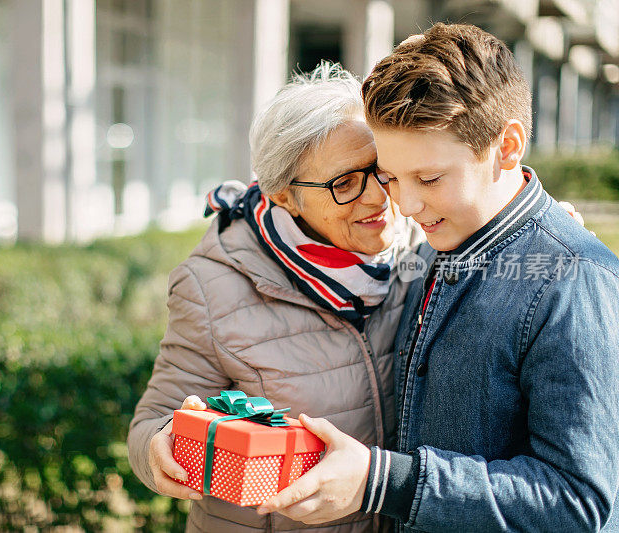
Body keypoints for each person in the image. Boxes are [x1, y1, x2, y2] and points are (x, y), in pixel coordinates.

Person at [258, 23, 619, 532]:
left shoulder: (576, 281)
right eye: (391, 177)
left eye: (428, 179)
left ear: (508, 146)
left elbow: (578, 504)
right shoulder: (438, 246)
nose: (404, 204)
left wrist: (382, 481)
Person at [127, 62, 427, 532]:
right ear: (286, 196)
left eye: (381, 170)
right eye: (345, 183)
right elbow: (156, 418)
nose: (378, 197)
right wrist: (161, 447)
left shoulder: (424, 244)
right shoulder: (214, 286)